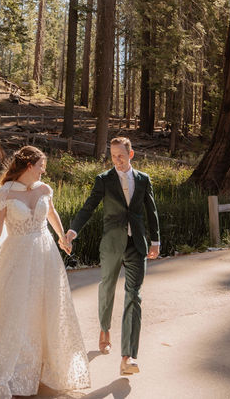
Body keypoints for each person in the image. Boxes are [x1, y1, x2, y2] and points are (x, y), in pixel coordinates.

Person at [0, 146, 90, 398]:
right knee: (14, 310)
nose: (45, 169)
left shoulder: (45, 189)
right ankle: (6, 370)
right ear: (30, 165)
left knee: (45, 308)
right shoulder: (5, 193)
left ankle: (42, 366)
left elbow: (51, 213)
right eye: (42, 165)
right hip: (17, 257)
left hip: (45, 255)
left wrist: (62, 238)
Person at [63, 137, 160, 376]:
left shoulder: (143, 179)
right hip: (111, 243)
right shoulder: (104, 180)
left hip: (137, 244)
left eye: (121, 155)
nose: (116, 159)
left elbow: (152, 210)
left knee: (133, 297)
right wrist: (73, 231)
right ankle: (104, 328)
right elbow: (89, 207)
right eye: (113, 155)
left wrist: (155, 241)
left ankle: (128, 357)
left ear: (131, 154)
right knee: (107, 286)